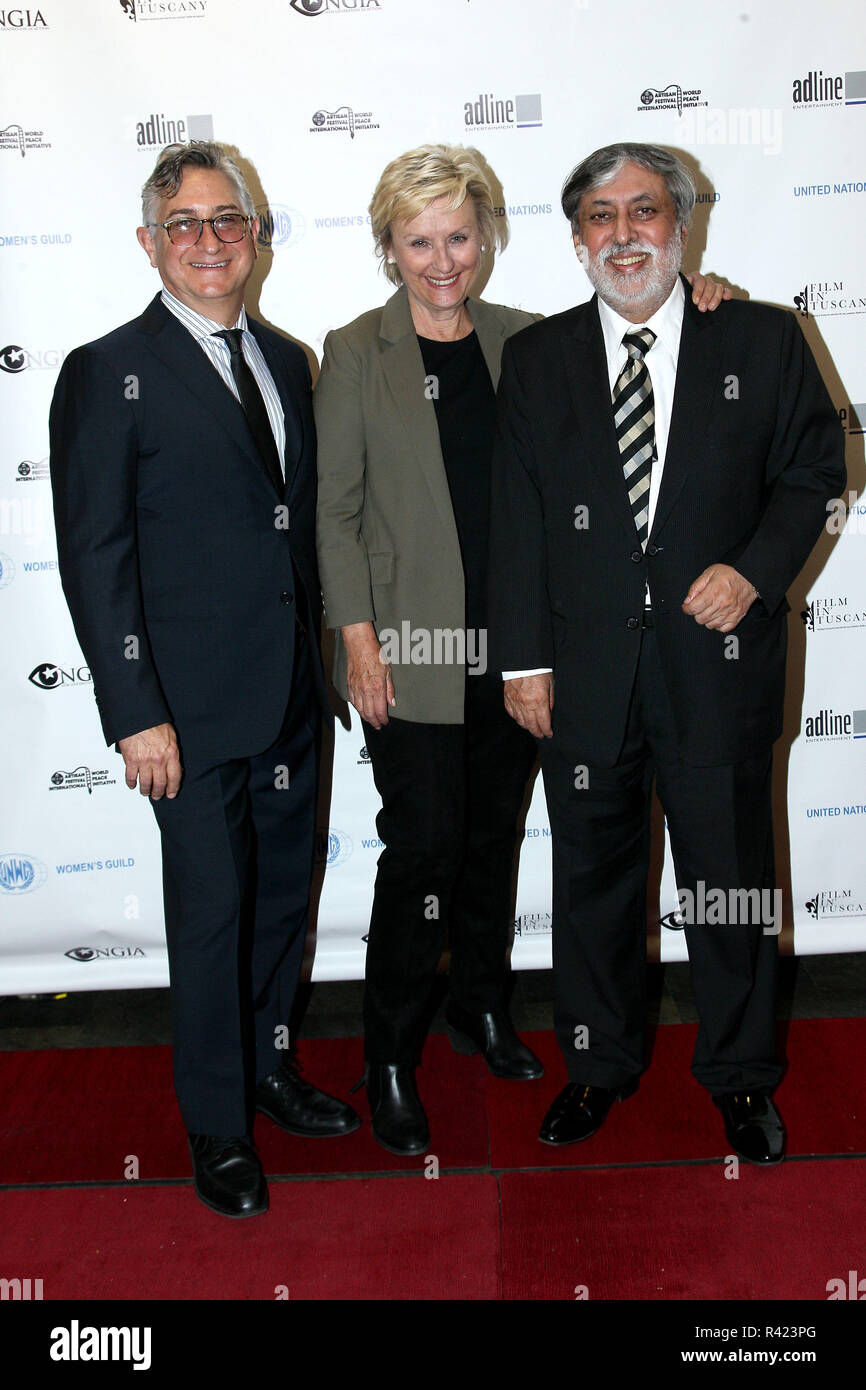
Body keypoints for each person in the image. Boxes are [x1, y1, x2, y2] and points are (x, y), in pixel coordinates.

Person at [314, 143, 727, 1156]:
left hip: (517, 655)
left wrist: (709, 297)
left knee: (495, 840)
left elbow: (651, 347)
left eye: (459, 235)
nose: (441, 258)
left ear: (487, 236)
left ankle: (483, 1008)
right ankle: (390, 1056)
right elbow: (333, 513)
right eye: (418, 240)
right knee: (421, 855)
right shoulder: (355, 351)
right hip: (405, 652)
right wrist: (358, 643)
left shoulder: (531, 343)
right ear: (388, 247)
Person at [489, 141, 846, 1164]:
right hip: (580, 680)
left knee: (728, 882)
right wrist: (519, 661)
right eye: (600, 217)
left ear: (678, 227)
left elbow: (815, 470)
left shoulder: (761, 339)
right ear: (574, 241)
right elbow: (514, 520)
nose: (623, 233)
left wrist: (752, 570)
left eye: (642, 211)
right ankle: (597, 1067)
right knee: (594, 884)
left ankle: (739, 1078)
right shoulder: (540, 358)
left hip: (716, 670)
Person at [49, 140, 358, 1219]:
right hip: (180, 712)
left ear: (257, 235)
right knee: (213, 913)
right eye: (184, 224)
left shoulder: (287, 359)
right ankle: (217, 1124)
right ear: (149, 243)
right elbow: (95, 556)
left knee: (282, 902)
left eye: (228, 220)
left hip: (286, 694)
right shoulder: (106, 369)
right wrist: (135, 714)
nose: (210, 241)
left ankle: (271, 1067)